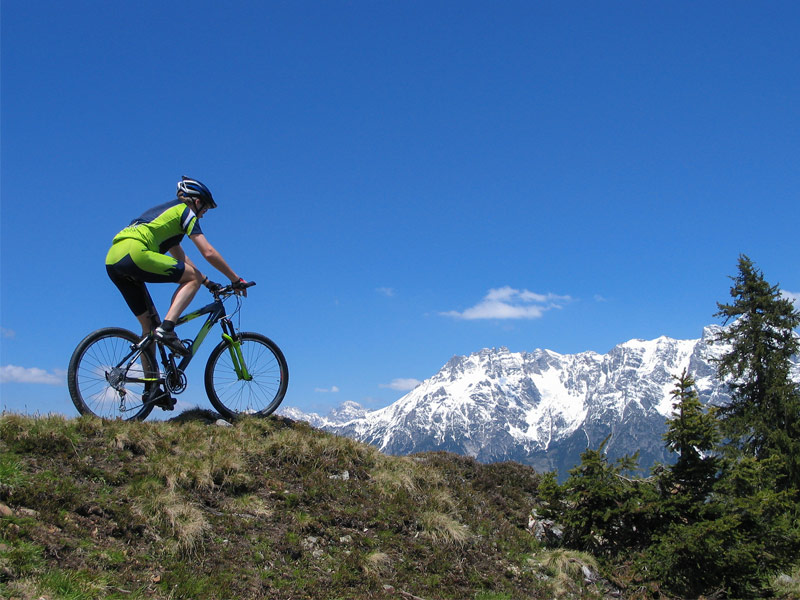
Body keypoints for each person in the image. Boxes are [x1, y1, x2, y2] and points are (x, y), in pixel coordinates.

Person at [105, 176, 247, 357]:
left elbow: (181, 258)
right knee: (189, 283)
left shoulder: (165, 217)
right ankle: (168, 329)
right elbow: (208, 252)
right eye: (205, 209)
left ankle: (151, 384)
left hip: (113, 259)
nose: (203, 214)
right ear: (197, 202)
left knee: (149, 328)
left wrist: (207, 282)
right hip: (135, 253)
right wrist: (236, 279)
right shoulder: (186, 211)